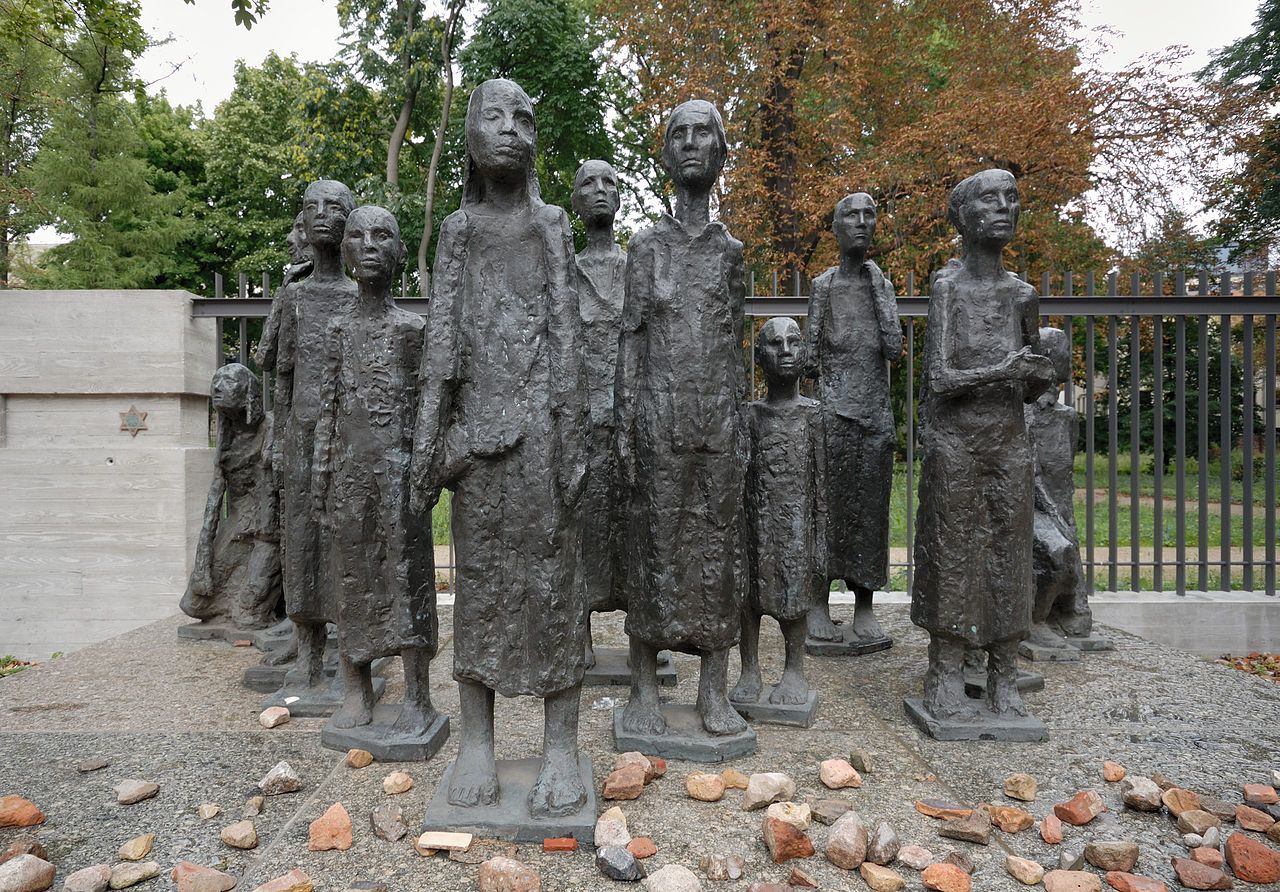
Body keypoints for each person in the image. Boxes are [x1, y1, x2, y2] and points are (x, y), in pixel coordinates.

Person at [411, 79, 590, 817]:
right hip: (477, 440)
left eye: (524, 117)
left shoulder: (551, 225)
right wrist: (428, 446)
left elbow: (567, 333)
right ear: (471, 138)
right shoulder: (458, 231)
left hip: (544, 433)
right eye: (495, 116)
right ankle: (477, 743)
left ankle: (561, 747)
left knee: (555, 588)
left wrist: (573, 439)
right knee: (479, 586)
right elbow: (442, 344)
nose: (511, 129)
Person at [615, 99, 749, 738]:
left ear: (721, 152)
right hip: (657, 423)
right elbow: (630, 339)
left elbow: (735, 345)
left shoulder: (731, 253)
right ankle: (644, 685)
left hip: (717, 426)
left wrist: (740, 427)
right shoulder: (645, 248)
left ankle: (713, 688)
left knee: (717, 550)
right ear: (666, 153)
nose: (692, 142)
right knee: (653, 549)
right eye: (680, 134)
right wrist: (625, 429)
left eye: (704, 133)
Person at [910, 168, 1055, 722]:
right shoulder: (948, 290)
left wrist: (1038, 375)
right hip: (955, 443)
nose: (1004, 208)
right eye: (989, 199)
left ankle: (1003, 675)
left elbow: (1032, 381)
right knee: (951, 554)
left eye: (1011, 198)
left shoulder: (1023, 296)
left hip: (1008, 444)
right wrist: (1004, 370)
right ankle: (945, 671)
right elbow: (939, 378)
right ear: (963, 217)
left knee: (1008, 556)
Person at [311, 206, 439, 738]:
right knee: (352, 578)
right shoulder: (338, 331)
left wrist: (425, 471)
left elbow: (431, 408)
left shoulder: (414, 330)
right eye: (358, 236)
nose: (369, 245)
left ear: (400, 253)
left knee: (408, 577)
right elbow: (327, 407)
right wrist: (320, 475)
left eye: (382, 236)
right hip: (350, 474)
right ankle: (356, 688)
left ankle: (417, 695)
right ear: (345, 250)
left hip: (401, 476)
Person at [255, 180, 358, 698]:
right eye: (312, 206)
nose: (322, 215)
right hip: (301, 432)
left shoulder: (359, 296)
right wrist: (277, 438)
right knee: (301, 542)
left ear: (349, 219)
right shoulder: (293, 295)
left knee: (346, 540)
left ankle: (350, 655)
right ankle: (308, 651)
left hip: (349, 435)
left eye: (334, 207)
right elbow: (280, 370)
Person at [804, 193, 901, 649]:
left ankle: (865, 605)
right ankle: (818, 603)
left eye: (869, 214)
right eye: (851, 215)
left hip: (874, 419)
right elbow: (808, 358)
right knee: (827, 513)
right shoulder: (823, 287)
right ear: (836, 227)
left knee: (870, 517)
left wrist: (880, 292)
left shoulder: (882, 285)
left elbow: (894, 347)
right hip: (832, 416)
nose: (861, 222)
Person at [731, 317, 825, 708]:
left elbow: (821, 484)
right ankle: (749, 669)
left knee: (794, 595)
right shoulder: (749, 415)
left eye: (793, 342)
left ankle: (794, 669)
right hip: (755, 522)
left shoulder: (813, 414)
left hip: (796, 525)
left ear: (804, 352)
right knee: (748, 597)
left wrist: (821, 540)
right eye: (775, 343)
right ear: (759, 356)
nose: (785, 351)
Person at [571, 160, 627, 668]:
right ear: (575, 201)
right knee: (583, 530)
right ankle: (580, 633)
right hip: (583, 427)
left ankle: (643, 639)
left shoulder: (636, 268)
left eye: (609, 182)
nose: (600, 190)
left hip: (630, 423)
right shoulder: (566, 273)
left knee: (634, 528)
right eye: (589, 183)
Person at [182, 363, 281, 633]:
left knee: (247, 615)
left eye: (228, 381)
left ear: (248, 392)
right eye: (216, 380)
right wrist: (202, 562)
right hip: (238, 523)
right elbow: (214, 499)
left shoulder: (272, 427)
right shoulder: (227, 434)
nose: (217, 387)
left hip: (269, 529)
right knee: (195, 604)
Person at [1026, 327, 1094, 645]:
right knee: (1058, 551)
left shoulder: (1067, 417)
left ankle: (1070, 614)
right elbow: (1030, 472)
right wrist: (1054, 515)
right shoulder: (1023, 414)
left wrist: (1062, 516)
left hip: (1060, 506)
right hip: (1032, 507)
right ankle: (1035, 620)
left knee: (1068, 550)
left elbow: (1065, 473)